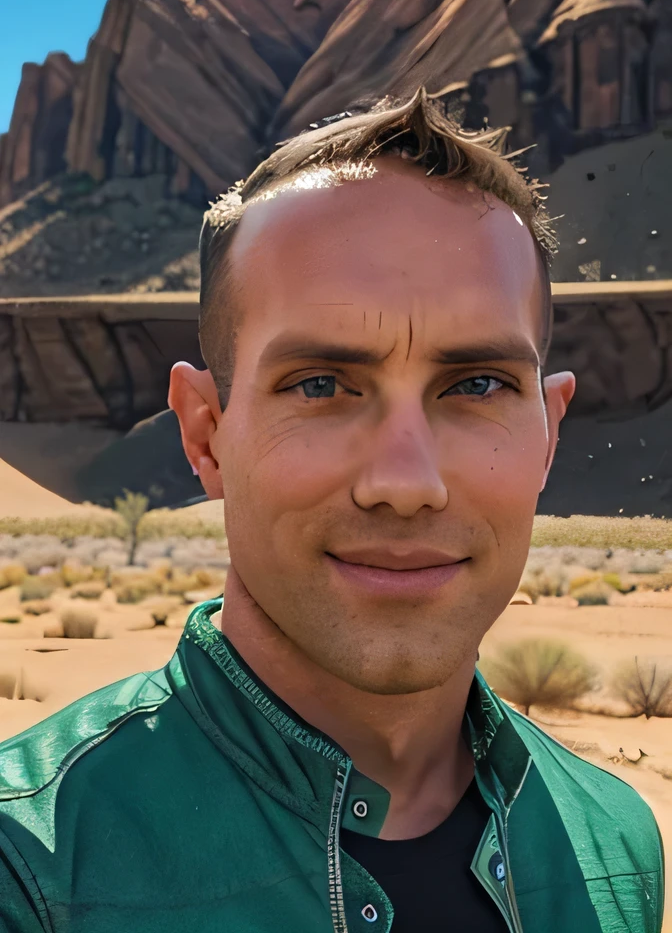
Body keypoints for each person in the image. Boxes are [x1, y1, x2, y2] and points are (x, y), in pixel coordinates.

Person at [0, 89, 663, 933]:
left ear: (547, 437)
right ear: (205, 434)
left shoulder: (614, 842)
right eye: (320, 385)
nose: (404, 481)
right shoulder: (28, 869)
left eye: (477, 386)